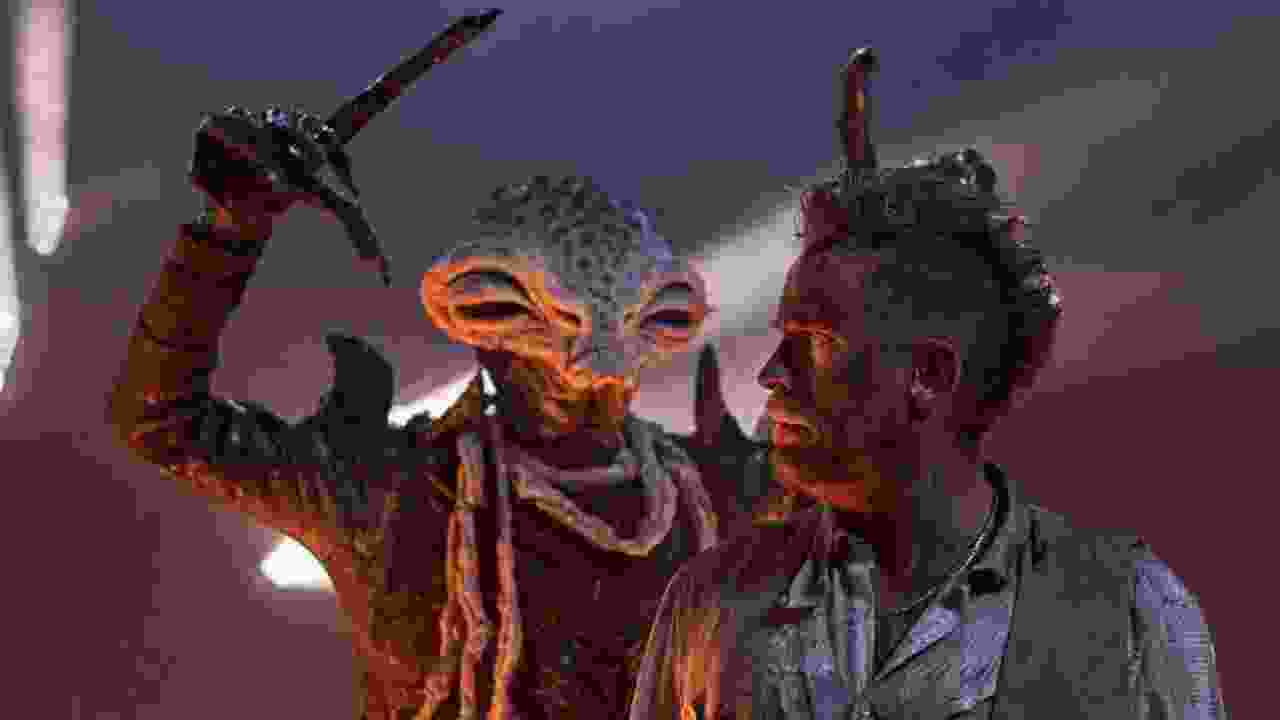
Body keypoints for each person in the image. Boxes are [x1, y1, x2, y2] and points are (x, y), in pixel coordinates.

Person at [104, 51, 769, 720]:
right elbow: (161, 422)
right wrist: (230, 230)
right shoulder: (394, 488)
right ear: (482, 324)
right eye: (543, 321)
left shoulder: (715, 494)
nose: (592, 367)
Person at [629, 47, 1225, 720]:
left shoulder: (1129, 611)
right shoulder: (709, 607)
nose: (771, 373)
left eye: (816, 342)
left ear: (930, 375)